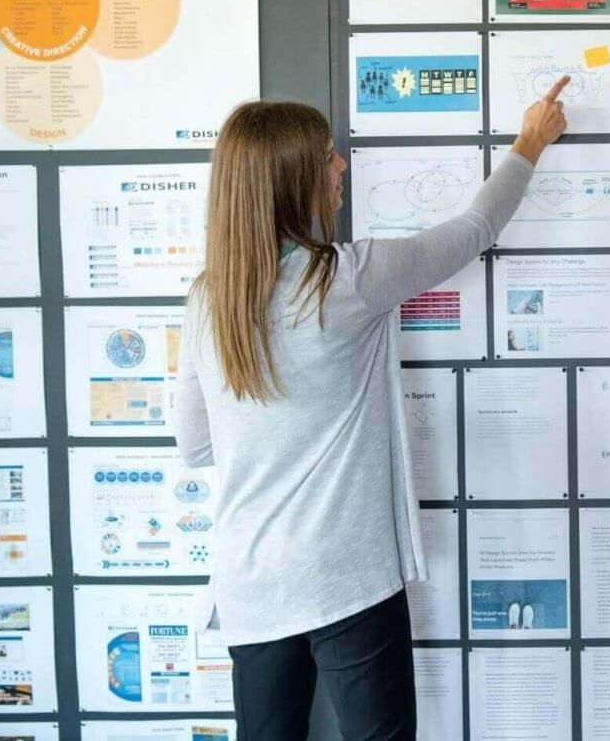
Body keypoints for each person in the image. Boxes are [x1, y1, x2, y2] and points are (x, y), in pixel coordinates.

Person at [171, 78, 570, 738]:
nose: (341, 165)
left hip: (252, 583)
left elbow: (195, 445)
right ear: (293, 180)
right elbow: (475, 229)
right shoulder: (347, 279)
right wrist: (530, 141)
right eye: (327, 156)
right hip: (344, 576)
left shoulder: (204, 300)